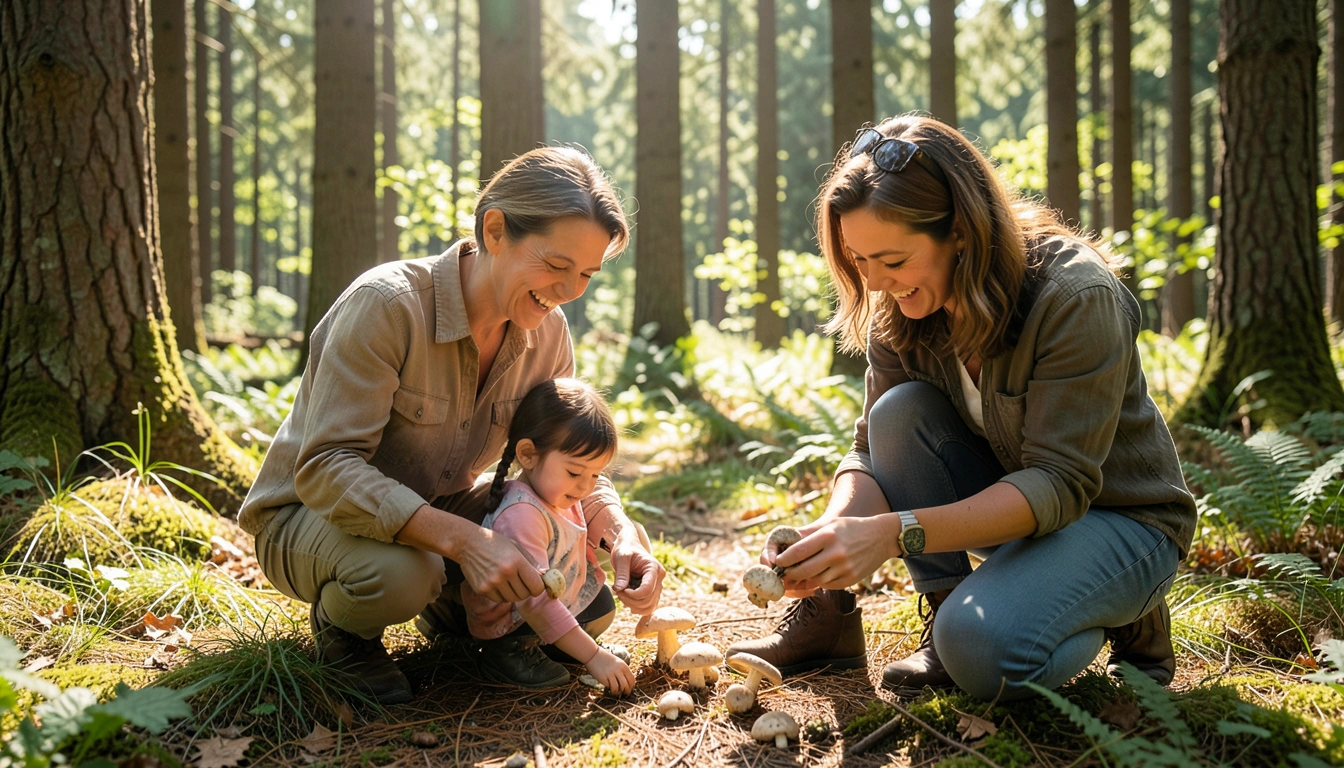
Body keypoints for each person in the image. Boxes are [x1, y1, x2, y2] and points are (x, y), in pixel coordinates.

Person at [726, 115, 1196, 702]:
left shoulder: (1075, 297)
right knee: (898, 411)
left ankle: (1120, 609)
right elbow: (872, 450)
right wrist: (833, 533)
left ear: (962, 232)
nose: (875, 283)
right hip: (1015, 515)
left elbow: (1060, 484)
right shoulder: (900, 308)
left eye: (893, 261)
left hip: (1121, 519)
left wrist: (894, 534)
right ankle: (952, 615)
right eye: (860, 261)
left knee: (982, 652)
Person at [239, 147, 666, 705]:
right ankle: (345, 632)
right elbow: (325, 470)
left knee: (593, 607)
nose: (570, 290)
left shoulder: (549, 332)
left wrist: (618, 532)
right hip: (312, 517)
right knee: (403, 576)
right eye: (557, 265)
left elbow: (566, 455)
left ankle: (455, 621)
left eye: (586, 273)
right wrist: (469, 543)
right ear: (495, 230)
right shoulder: (387, 306)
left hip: (442, 513)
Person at [462, 378, 635, 693]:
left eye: (595, 475)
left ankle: (556, 643)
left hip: (551, 598)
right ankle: (506, 653)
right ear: (528, 455)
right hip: (513, 615)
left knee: (601, 607)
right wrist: (594, 656)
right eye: (574, 473)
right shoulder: (521, 514)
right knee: (533, 622)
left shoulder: (559, 492)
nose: (585, 487)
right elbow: (533, 600)